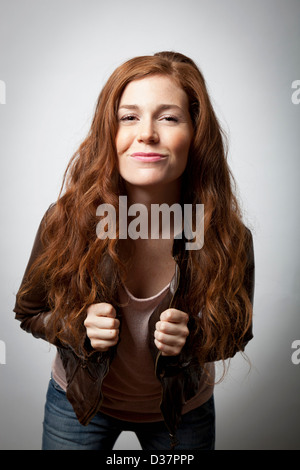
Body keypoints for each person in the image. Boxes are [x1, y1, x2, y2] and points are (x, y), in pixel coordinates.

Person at [13, 51, 255, 450]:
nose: (147, 133)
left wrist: (193, 338)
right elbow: (30, 312)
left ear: (196, 132)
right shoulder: (66, 220)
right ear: (109, 131)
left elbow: (237, 334)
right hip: (81, 407)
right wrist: (78, 327)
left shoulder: (225, 234)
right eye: (129, 117)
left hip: (181, 412)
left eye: (169, 117)